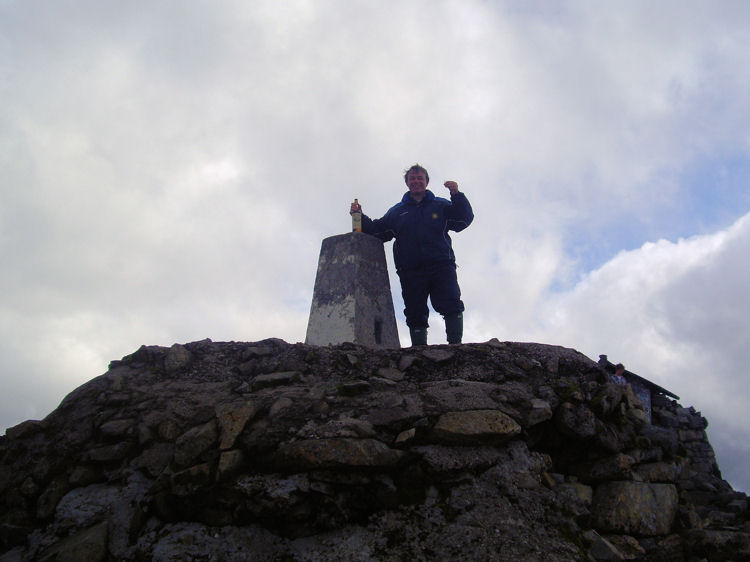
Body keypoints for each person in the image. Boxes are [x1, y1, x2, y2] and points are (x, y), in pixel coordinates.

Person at [349, 164, 474, 346]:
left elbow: (463, 219)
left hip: (441, 265)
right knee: (415, 311)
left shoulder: (440, 205)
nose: (416, 181)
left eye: (419, 178)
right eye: (412, 179)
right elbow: (377, 231)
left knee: (451, 303)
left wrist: (457, 195)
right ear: (407, 183)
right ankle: (418, 351)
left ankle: (456, 347)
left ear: (426, 182)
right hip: (410, 270)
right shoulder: (397, 212)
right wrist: (359, 215)